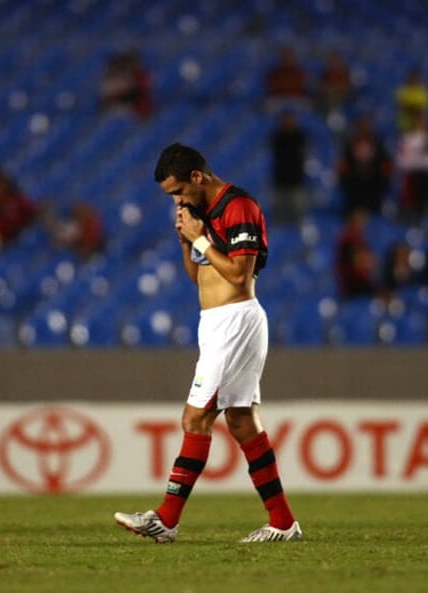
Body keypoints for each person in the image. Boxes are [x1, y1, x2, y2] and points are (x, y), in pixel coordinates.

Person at [114, 143, 301, 543]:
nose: (178, 200)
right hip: (215, 321)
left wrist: (200, 240)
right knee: (241, 421)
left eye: (178, 192)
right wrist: (185, 239)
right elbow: (198, 276)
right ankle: (283, 522)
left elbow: (238, 273)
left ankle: (165, 519)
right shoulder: (201, 213)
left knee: (195, 419)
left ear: (196, 177)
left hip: (236, 321)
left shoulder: (239, 207)